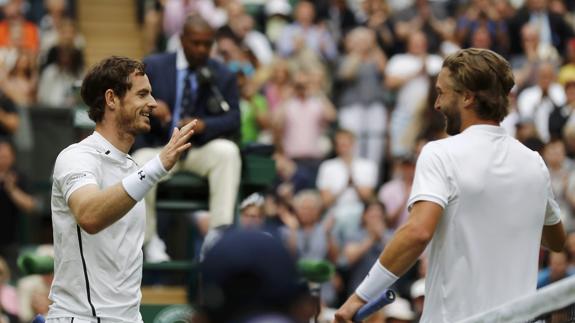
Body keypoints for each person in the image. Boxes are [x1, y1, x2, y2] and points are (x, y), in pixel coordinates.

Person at [334, 48, 567, 322]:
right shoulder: (535, 164)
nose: (436, 104)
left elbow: (418, 232)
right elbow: (556, 240)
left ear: (467, 97)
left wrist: (359, 297)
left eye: (442, 92)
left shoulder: (439, 153)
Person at [47, 56, 196, 322]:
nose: (152, 103)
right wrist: (157, 166)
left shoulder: (133, 168)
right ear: (112, 99)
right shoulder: (76, 157)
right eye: (142, 94)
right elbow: (90, 216)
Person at [133, 14, 241, 261]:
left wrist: (205, 125)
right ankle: (150, 241)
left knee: (228, 152)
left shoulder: (222, 74)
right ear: (182, 40)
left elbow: (234, 117)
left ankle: (217, 234)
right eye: (196, 43)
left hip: (198, 149)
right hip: (161, 147)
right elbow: (131, 103)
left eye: (207, 43)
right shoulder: (154, 66)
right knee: (139, 161)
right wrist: (149, 106)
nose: (202, 49)